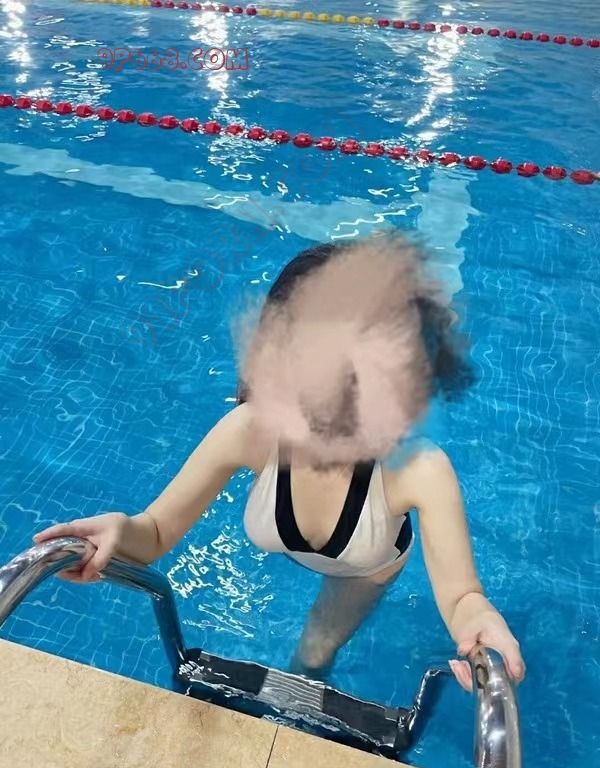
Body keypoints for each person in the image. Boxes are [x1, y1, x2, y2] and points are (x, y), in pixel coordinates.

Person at [33, 235, 525, 691]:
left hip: (362, 568)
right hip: (302, 534)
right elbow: (157, 532)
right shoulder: (250, 430)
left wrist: (478, 619)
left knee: (313, 654)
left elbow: (461, 596)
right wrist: (120, 533)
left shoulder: (418, 468)